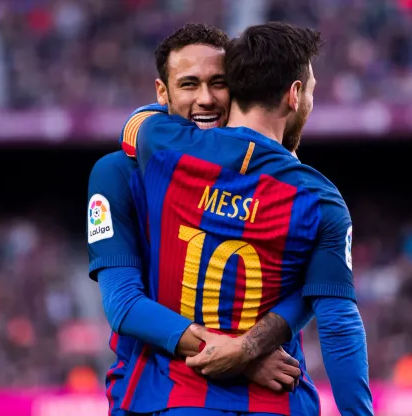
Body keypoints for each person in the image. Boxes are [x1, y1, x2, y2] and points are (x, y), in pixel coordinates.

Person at [118, 22, 374, 415]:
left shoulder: (165, 148)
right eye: (312, 92)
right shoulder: (320, 200)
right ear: (294, 95)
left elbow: (139, 121)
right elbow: (339, 326)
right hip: (277, 404)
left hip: (177, 401)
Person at [87, 24, 315, 416]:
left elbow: (311, 284)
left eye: (219, 83)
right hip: (161, 392)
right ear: (163, 93)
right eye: (189, 84)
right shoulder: (117, 174)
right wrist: (241, 355)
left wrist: (249, 347)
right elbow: (123, 303)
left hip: (274, 396)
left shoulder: (279, 177)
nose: (206, 99)